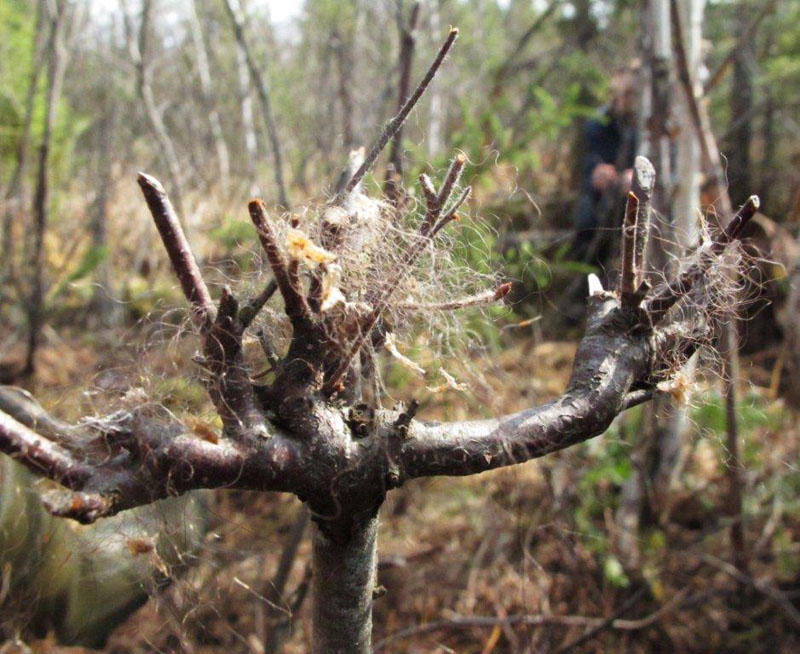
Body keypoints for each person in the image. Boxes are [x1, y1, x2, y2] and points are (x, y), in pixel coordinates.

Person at [572, 67, 639, 268]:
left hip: (644, 201)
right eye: (617, 94)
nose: (622, 100)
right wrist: (595, 173)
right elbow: (587, 163)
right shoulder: (598, 122)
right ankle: (587, 275)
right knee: (587, 216)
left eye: (628, 94)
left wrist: (640, 178)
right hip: (605, 198)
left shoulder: (654, 123)